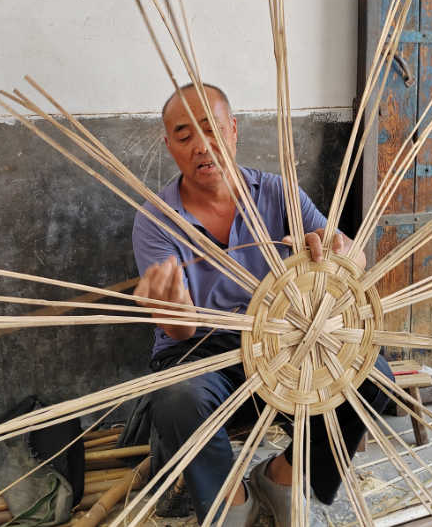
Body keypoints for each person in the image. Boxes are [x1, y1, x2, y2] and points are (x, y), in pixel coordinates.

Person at [132, 83, 393, 527]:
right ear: (168, 145)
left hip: (282, 339)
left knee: (371, 375)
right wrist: (173, 305)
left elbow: (351, 255)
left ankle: (281, 477)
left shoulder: (276, 192)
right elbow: (178, 331)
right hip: (201, 349)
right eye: (184, 135)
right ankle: (232, 504)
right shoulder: (156, 219)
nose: (202, 146)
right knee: (179, 400)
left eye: (213, 130)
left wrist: (339, 255)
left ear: (233, 131)